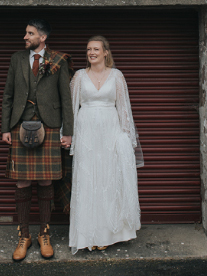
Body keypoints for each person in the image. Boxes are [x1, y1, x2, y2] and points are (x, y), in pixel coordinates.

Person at [1, 20, 73, 261]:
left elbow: (66, 99)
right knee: (22, 182)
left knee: (45, 181)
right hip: (21, 126)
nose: (25, 36)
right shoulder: (17, 59)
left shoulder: (58, 60)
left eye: (30, 33)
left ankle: (44, 234)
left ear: (42, 37)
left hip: (50, 126)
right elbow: (8, 96)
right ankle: (24, 236)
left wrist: (69, 132)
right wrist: (6, 128)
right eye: (25, 32)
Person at [68, 36, 142, 254]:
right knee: (88, 180)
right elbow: (72, 109)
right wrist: (69, 136)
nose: (92, 52)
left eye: (96, 49)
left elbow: (124, 108)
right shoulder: (79, 77)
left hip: (110, 133)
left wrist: (126, 138)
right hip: (87, 134)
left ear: (105, 52)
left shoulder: (117, 76)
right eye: (89, 49)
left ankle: (110, 234)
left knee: (109, 181)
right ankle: (88, 235)